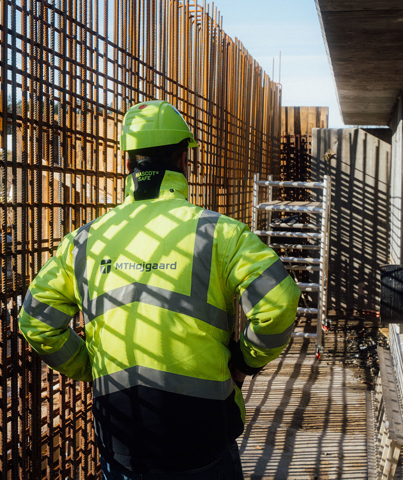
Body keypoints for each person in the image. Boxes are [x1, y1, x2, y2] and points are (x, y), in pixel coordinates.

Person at [19, 100, 301, 479]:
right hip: (203, 435)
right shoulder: (219, 232)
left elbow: (37, 320)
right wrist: (244, 362)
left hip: (123, 431)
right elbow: (279, 301)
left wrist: (90, 368)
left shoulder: (84, 241)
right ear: (185, 159)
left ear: (126, 163)